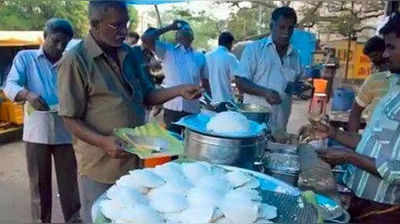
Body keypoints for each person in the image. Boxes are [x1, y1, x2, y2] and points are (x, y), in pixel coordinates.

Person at [56, 1, 202, 222]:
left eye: (126, 23)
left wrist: (179, 90)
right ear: (95, 24)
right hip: (101, 165)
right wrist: (103, 141)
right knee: (101, 216)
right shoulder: (76, 60)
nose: (124, 31)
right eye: (116, 25)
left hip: (135, 158)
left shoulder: (129, 54)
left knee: (132, 216)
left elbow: (146, 95)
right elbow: (69, 118)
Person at [314, 13, 400, 223]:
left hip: (385, 212)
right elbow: (372, 142)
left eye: (391, 47)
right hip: (362, 202)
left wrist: (349, 157)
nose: (385, 55)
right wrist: (333, 133)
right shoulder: (394, 89)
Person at [3, 18, 80, 223]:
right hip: (37, 132)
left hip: (65, 130)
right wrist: (28, 95)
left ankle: (73, 219)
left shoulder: (70, 60)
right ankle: (41, 221)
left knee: (69, 182)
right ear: (44, 37)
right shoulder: (25, 58)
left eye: (65, 42)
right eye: (56, 41)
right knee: (39, 183)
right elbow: (9, 84)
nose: (60, 46)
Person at [235, 6, 303, 133]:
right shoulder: (254, 50)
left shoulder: (295, 56)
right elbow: (240, 81)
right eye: (282, 27)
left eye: (290, 28)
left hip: (280, 126)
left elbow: (292, 86)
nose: (286, 32)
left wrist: (299, 88)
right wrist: (265, 92)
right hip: (253, 126)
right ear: (272, 26)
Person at [142, 20, 209, 134]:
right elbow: (146, 39)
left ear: (192, 36)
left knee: (189, 144)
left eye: (187, 29)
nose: (183, 30)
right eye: (180, 29)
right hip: (172, 107)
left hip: (193, 108)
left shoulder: (200, 56)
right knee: (172, 143)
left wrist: (207, 99)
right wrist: (169, 27)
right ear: (175, 36)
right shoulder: (167, 51)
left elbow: (205, 83)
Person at [348, 36, 391, 132]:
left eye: (375, 55)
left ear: (384, 52)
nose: (372, 60)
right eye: (370, 57)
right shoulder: (375, 77)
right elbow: (356, 111)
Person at [206, 31, 239, 105]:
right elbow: (237, 78)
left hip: (209, 101)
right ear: (230, 43)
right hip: (225, 101)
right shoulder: (230, 57)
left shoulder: (207, 56)